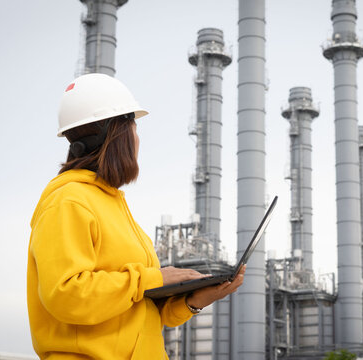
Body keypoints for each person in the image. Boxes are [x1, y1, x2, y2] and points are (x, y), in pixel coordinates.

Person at [26, 73, 244, 359]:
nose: (137, 139)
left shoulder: (111, 204)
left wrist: (194, 300)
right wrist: (153, 278)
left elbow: (137, 309)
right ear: (116, 135)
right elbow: (66, 295)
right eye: (134, 128)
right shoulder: (68, 201)